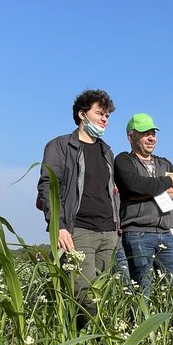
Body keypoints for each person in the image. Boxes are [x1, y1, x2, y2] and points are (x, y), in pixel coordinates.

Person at [37, 90, 121, 315]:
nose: (105, 119)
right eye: (99, 113)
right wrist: (59, 225)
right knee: (84, 296)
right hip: (78, 231)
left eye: (107, 115)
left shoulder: (107, 151)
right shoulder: (60, 146)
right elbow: (48, 187)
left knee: (103, 295)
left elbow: (111, 191)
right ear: (82, 114)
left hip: (108, 232)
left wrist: (117, 226)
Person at [114, 113, 173, 293]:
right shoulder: (124, 160)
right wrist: (168, 183)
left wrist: (149, 190)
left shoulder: (164, 162)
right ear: (130, 137)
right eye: (145, 133)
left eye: (153, 133)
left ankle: (169, 322)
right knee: (141, 290)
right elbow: (133, 185)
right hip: (137, 233)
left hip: (166, 234)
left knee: (172, 289)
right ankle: (140, 322)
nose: (151, 138)